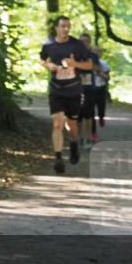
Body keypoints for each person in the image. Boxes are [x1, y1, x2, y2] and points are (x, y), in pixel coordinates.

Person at [39, 16, 94, 174]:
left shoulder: (77, 45)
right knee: (57, 123)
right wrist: (48, 65)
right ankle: (58, 158)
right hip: (56, 89)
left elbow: (89, 64)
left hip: (73, 90)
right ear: (56, 28)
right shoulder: (48, 44)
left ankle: (74, 143)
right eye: (63, 26)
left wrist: (74, 64)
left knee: (72, 125)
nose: (66, 29)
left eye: (68, 26)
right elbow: (42, 59)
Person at [77, 33, 102, 150]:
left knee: (88, 115)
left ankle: (88, 139)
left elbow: (99, 69)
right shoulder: (75, 55)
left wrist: (90, 66)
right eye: (82, 41)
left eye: (86, 41)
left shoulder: (93, 56)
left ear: (90, 42)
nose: (84, 43)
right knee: (78, 115)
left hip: (90, 88)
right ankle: (79, 138)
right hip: (76, 88)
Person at [93, 47, 111, 132]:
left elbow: (108, 77)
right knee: (90, 111)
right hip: (91, 88)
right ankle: (93, 131)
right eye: (95, 51)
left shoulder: (104, 63)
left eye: (99, 52)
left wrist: (100, 73)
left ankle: (101, 117)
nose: (97, 53)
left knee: (101, 107)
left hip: (101, 88)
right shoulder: (88, 62)